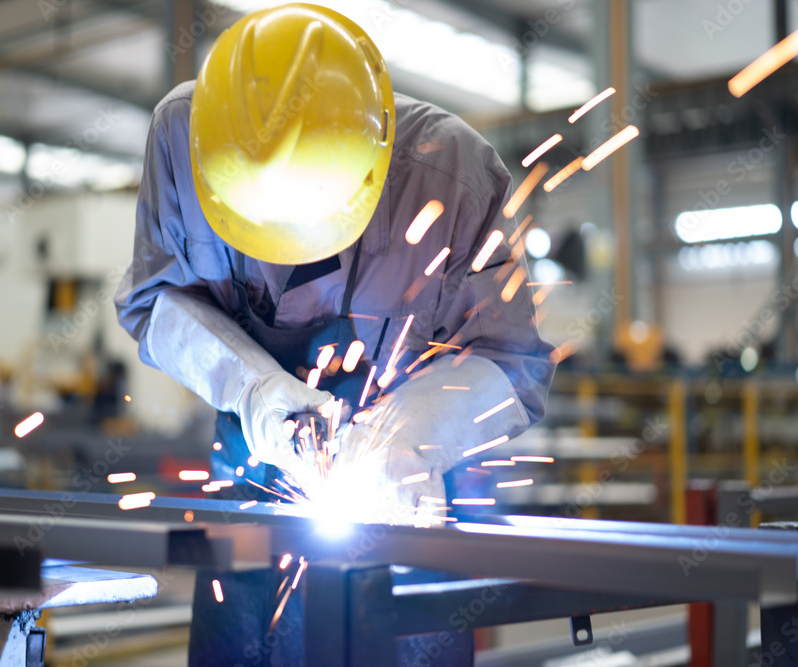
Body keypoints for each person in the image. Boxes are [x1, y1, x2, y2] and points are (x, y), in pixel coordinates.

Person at [114, 4, 555, 661]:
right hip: (252, 480)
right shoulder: (183, 136)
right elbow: (155, 302)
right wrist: (254, 388)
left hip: (408, 506)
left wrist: (409, 437)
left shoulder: (454, 174)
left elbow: (511, 359)